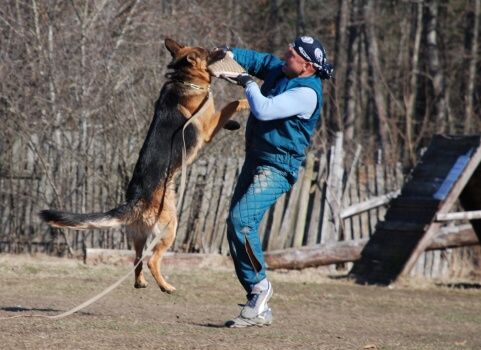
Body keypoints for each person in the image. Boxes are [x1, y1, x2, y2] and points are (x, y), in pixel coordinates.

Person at [216, 36, 333, 328]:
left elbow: (264, 109)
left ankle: (260, 287)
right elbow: (259, 60)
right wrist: (229, 52)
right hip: (256, 158)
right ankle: (259, 304)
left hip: (278, 168)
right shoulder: (282, 69)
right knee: (235, 225)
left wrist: (246, 81)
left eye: (291, 54)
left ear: (306, 65)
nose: (285, 55)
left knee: (241, 221)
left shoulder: (307, 92)